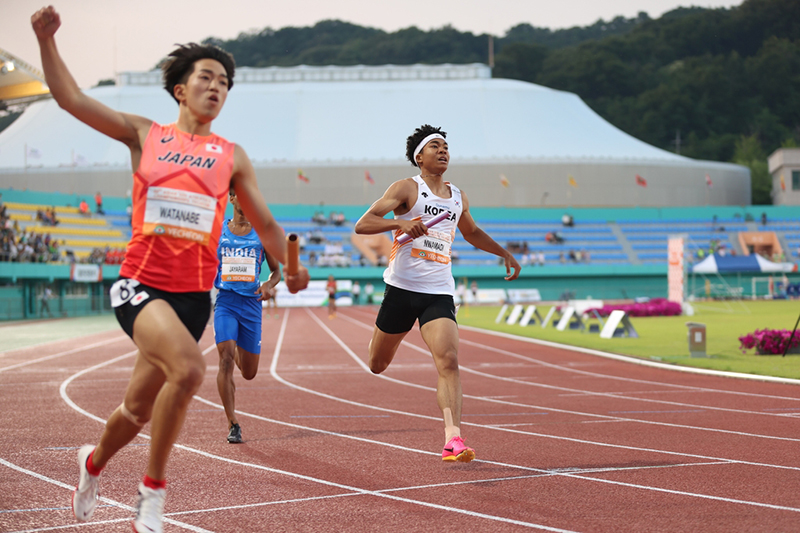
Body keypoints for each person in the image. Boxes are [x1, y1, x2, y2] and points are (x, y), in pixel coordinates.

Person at [31, 7, 310, 533]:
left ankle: (92, 465)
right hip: (139, 283)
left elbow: (269, 225)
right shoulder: (144, 135)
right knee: (190, 370)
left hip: (191, 298)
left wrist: (295, 270)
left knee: (136, 411)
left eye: (224, 82)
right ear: (181, 89)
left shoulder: (232, 157)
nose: (216, 86)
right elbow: (71, 100)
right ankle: (152, 494)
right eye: (206, 76)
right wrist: (46, 41)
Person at [354, 124, 520, 463]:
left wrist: (503, 252)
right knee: (377, 364)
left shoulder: (457, 196)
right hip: (401, 290)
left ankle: (453, 439)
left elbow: (471, 232)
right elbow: (364, 224)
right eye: (435, 146)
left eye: (446, 146)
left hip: (438, 293)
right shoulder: (405, 189)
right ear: (420, 156)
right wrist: (398, 223)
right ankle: (378, 347)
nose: (443, 151)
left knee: (449, 360)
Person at [214, 188, 281, 444]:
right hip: (226, 302)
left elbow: (276, 272)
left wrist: (267, 285)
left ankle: (240, 346)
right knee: (225, 359)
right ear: (231, 198)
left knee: (249, 372)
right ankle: (233, 423)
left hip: (251, 305)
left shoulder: (261, 234)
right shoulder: (219, 232)